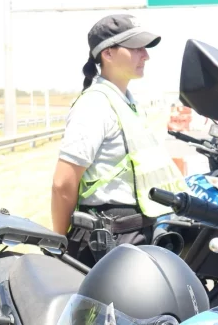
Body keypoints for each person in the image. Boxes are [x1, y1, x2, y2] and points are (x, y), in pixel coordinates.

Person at [51, 14, 190, 267]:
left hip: (134, 235)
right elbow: (63, 184)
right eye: (136, 48)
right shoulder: (95, 104)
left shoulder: (126, 101)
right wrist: (60, 244)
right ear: (108, 54)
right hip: (108, 243)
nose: (145, 55)